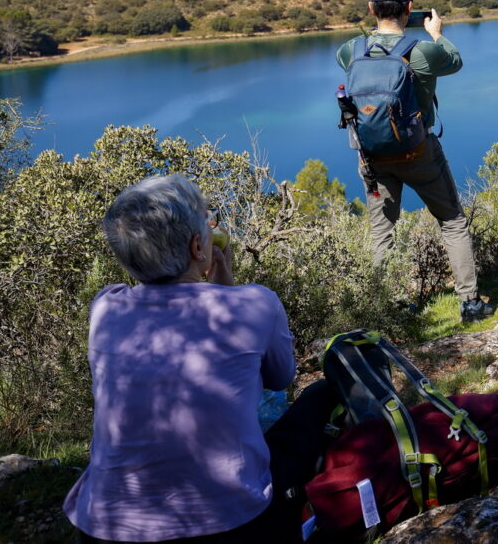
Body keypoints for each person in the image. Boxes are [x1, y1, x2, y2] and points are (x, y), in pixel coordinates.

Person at [64, 174, 335, 543]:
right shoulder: (256, 303)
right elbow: (280, 378)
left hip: (105, 529)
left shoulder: (105, 308)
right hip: (231, 524)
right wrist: (225, 284)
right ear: (197, 247)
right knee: (322, 394)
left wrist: (214, 285)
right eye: (206, 227)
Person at [336, 0, 493, 323]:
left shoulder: (351, 49)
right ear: (409, 8)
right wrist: (436, 33)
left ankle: (387, 307)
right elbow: (454, 60)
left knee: (382, 231)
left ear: (371, 8)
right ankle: (469, 304)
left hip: (372, 157)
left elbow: (346, 64)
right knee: (451, 221)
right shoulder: (420, 52)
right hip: (418, 153)